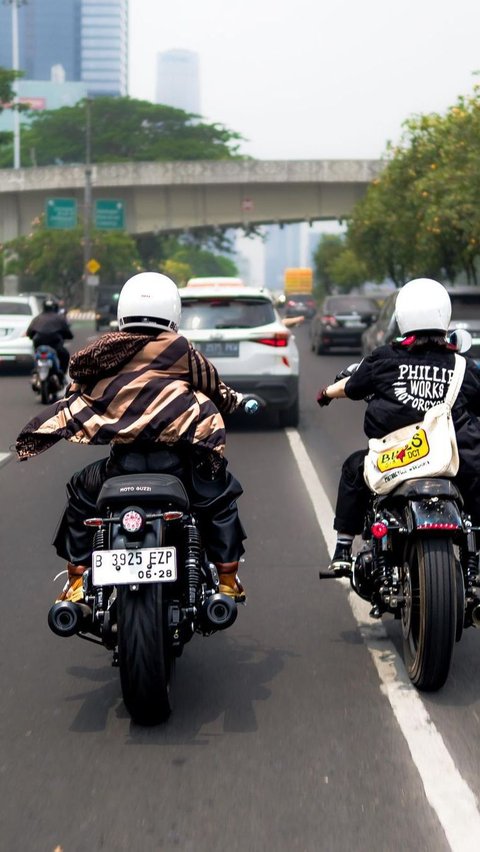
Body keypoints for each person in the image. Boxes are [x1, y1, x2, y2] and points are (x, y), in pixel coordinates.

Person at [16, 272, 248, 602]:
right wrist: (232, 402)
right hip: (178, 465)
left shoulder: (102, 349)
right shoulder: (180, 348)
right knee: (220, 494)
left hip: (120, 467)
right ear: (173, 312)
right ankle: (227, 577)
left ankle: (77, 581)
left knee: (81, 494)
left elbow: (76, 387)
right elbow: (213, 386)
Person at [316, 278, 480, 575]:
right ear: (445, 316)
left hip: (397, 457)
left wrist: (326, 393)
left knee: (354, 469)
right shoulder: (463, 366)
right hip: (454, 460)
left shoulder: (383, 358)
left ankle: (342, 548)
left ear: (402, 317)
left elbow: (351, 387)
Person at [26, 297, 73, 376]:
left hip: (39, 342)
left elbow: (29, 332)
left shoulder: (37, 318)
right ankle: (62, 374)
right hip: (54, 343)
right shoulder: (59, 318)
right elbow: (68, 333)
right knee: (65, 355)